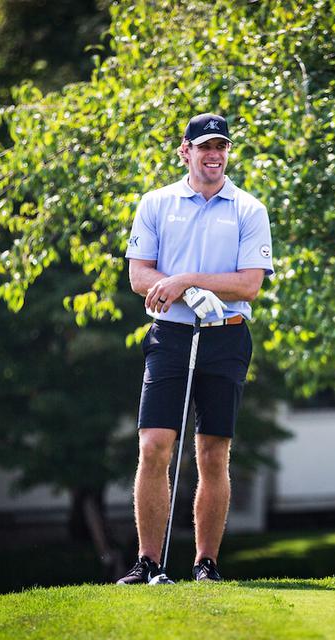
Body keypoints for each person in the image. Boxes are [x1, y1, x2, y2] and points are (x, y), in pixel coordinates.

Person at [117, 113, 273, 584]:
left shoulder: (248, 209)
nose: (214, 154)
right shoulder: (157, 203)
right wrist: (182, 291)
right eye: (204, 146)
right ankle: (147, 563)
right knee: (154, 447)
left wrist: (186, 279)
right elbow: (138, 275)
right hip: (171, 336)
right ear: (184, 151)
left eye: (221, 146)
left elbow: (249, 285)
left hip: (225, 337)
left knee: (212, 453)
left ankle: (205, 564)